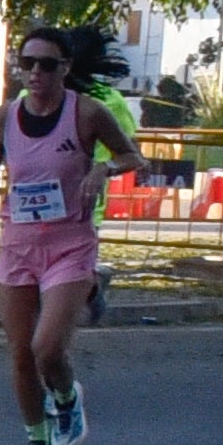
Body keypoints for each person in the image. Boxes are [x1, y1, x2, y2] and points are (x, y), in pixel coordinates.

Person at [0, 27, 148, 445]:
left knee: (47, 348)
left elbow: (133, 157)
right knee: (21, 353)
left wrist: (103, 167)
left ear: (65, 68)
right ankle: (37, 442)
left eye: (46, 64)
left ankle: (66, 399)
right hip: (19, 244)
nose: (35, 73)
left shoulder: (87, 113)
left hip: (70, 244)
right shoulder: (2, 118)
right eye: (27, 64)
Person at [63, 25, 138, 326]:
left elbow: (127, 151)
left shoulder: (109, 102)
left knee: (72, 262)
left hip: (85, 201)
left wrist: (103, 167)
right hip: (38, 202)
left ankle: (90, 287)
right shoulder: (33, 94)